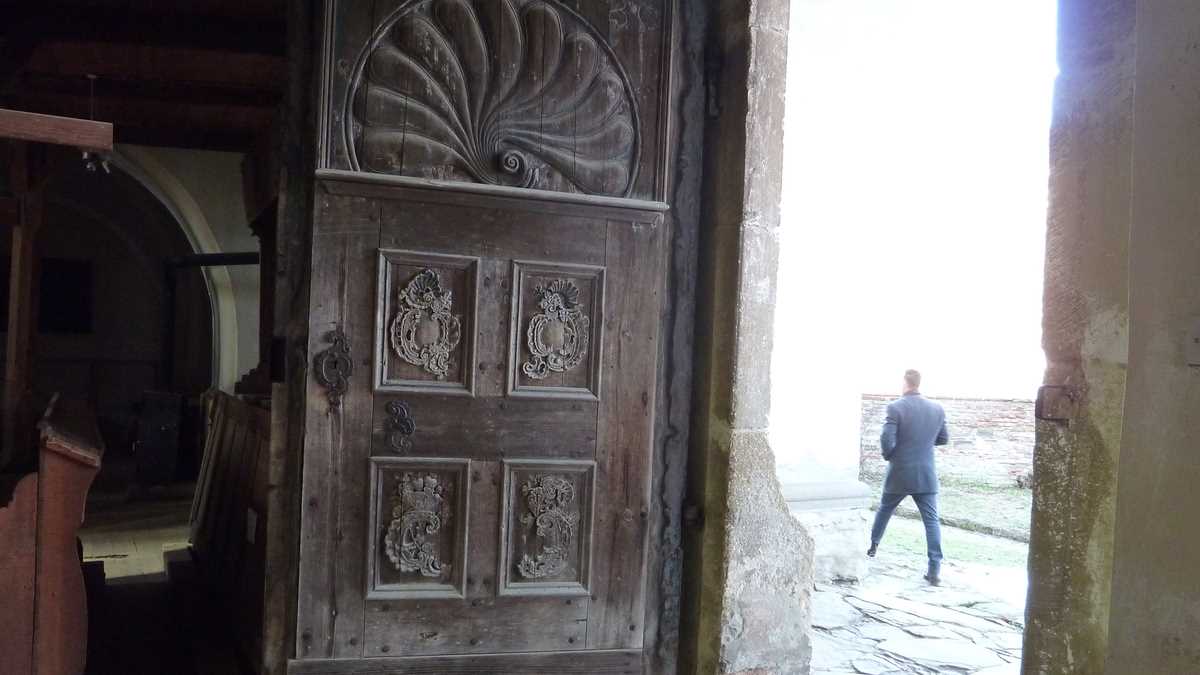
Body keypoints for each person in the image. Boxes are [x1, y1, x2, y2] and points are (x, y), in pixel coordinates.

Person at [867, 369, 949, 585]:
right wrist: (922, 444)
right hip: (926, 473)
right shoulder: (937, 409)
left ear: (905, 383)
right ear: (919, 383)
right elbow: (943, 439)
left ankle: (872, 547)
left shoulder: (895, 407)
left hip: (900, 472)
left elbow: (887, 440)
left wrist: (891, 456)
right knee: (931, 521)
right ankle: (934, 570)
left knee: (884, 510)